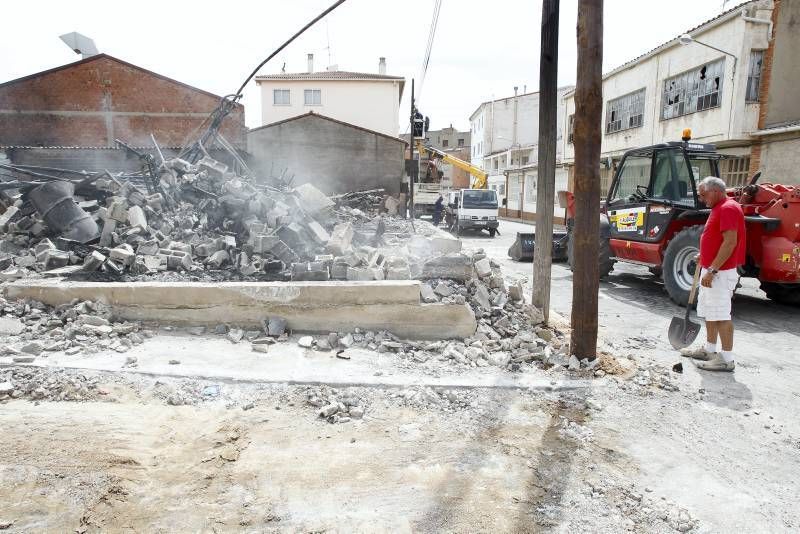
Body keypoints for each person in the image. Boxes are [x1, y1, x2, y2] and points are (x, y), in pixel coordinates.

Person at [680, 176, 746, 372]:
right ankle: (710, 350)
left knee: (722, 315)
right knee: (710, 313)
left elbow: (730, 243)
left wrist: (712, 269)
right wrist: (704, 255)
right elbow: (718, 239)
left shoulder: (728, 208)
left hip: (720, 273)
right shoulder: (719, 208)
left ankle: (726, 359)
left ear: (716, 191)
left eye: (703, 194)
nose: (701, 198)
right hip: (712, 270)